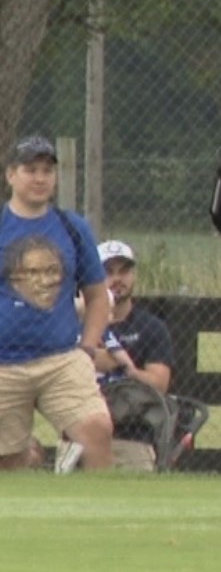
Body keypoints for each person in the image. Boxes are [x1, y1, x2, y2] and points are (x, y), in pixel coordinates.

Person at [0, 137, 113, 472]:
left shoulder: (72, 227)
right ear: (10, 176)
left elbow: (96, 295)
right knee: (9, 461)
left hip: (61, 360)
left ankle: (97, 515)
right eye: (30, 170)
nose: (39, 178)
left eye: (47, 171)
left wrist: (89, 347)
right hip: (4, 364)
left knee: (97, 429)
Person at [94, 240, 174, 395]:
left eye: (124, 271)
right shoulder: (80, 327)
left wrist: (123, 367)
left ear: (133, 275)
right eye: (108, 272)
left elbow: (159, 386)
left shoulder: (152, 328)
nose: (117, 278)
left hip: (135, 413)